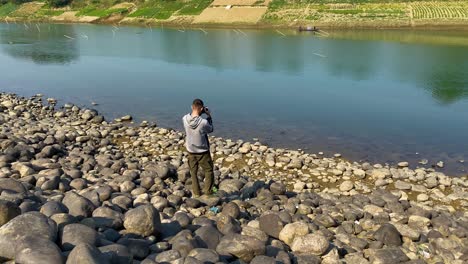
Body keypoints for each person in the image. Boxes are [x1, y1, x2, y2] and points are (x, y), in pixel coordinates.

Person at [182, 99, 214, 197]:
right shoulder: (203, 122)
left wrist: (200, 113)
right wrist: (209, 116)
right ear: (201, 108)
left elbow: (193, 124)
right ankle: (208, 192)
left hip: (190, 150)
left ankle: (196, 193)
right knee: (208, 171)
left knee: (193, 172)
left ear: (192, 107)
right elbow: (211, 129)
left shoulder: (184, 118)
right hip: (202, 151)